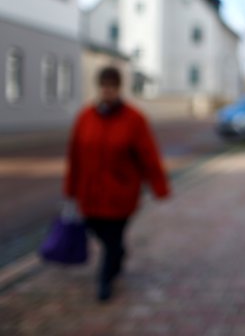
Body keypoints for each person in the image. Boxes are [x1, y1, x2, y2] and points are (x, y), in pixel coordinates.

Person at [63, 66, 170, 302]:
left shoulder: (134, 119)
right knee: (97, 230)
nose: (107, 91)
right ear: (99, 88)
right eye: (104, 86)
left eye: (112, 86)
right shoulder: (85, 117)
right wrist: (70, 189)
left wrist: (159, 186)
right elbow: (75, 156)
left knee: (112, 237)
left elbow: (148, 155)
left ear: (119, 88)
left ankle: (105, 280)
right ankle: (118, 255)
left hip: (120, 193)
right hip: (89, 193)